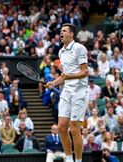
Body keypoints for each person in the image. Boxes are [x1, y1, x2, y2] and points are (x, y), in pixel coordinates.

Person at [45, 23, 89, 162]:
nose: (61, 33)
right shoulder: (61, 52)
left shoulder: (79, 48)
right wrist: (53, 82)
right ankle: (69, 159)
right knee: (61, 127)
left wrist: (67, 77)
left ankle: (78, 160)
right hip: (66, 92)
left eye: (64, 31)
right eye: (60, 31)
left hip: (80, 92)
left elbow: (85, 72)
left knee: (74, 128)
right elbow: (64, 76)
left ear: (71, 34)